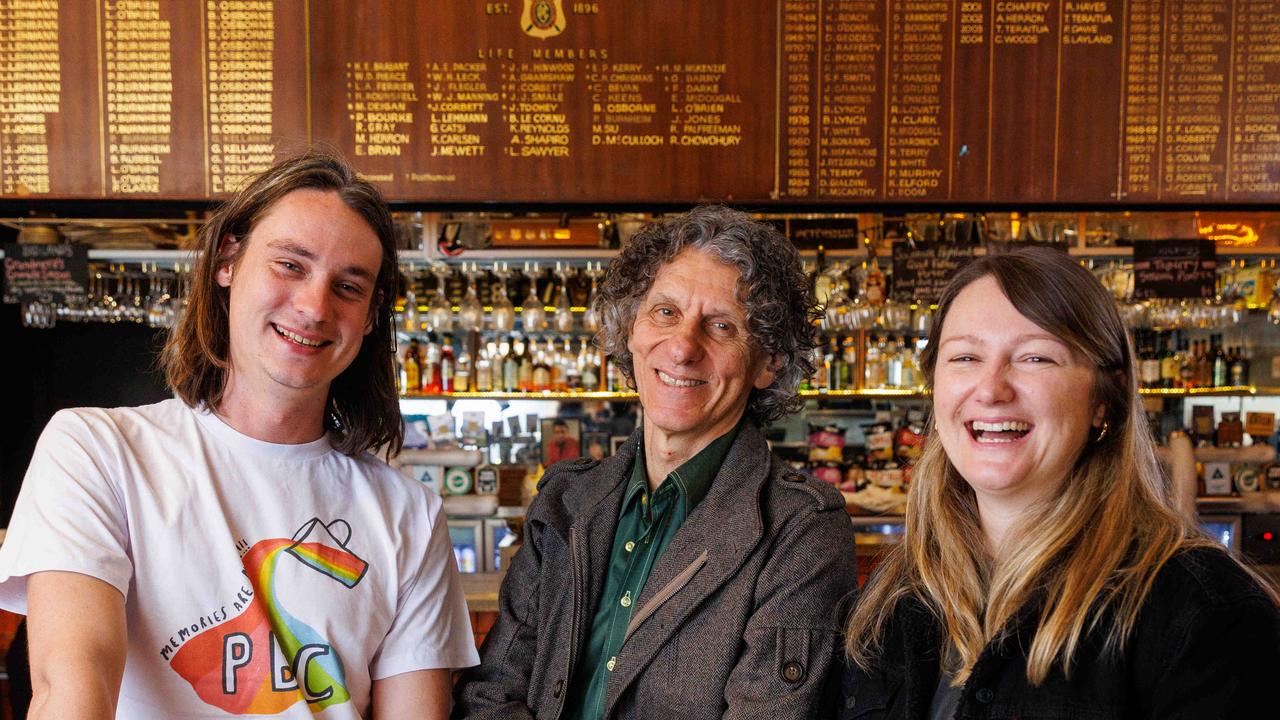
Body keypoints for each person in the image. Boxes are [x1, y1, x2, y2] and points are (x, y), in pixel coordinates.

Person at [0, 153, 478, 719]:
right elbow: (72, 692)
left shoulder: (409, 514)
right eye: (291, 265)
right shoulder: (97, 451)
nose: (314, 306)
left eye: (348, 287)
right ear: (228, 258)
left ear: (371, 316)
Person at [453, 206, 857, 719]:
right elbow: (491, 693)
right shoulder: (563, 501)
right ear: (630, 332)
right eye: (665, 312)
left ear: (769, 362)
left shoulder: (800, 530)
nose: (684, 347)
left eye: (721, 325)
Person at [841, 247, 1280, 719]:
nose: (990, 389)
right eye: (965, 357)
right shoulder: (892, 598)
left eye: (1035, 358)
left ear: (1103, 400)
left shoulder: (1205, 615)